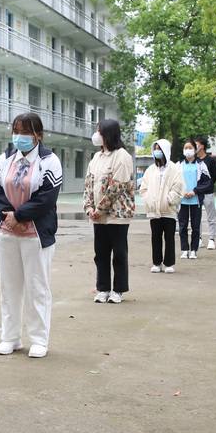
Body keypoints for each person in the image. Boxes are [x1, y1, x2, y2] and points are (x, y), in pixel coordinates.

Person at [0, 112, 63, 358]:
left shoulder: (49, 160)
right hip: (7, 233)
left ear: (37, 135)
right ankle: (10, 338)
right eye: (16, 131)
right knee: (8, 287)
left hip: (35, 235)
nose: (19, 136)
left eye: (25, 132)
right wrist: (8, 217)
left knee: (37, 288)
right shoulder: (5, 158)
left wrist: (20, 217)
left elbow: (47, 197)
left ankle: (39, 339)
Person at [83, 119, 135, 303]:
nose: (96, 135)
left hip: (117, 216)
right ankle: (103, 288)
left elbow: (117, 187)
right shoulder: (97, 158)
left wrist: (100, 209)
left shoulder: (122, 156)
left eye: (99, 131)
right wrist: (89, 208)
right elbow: (89, 184)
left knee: (119, 253)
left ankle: (118, 290)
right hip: (98, 216)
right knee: (101, 253)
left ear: (108, 133)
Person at [140, 139, 185, 273]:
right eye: (156, 149)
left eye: (160, 149)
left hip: (168, 210)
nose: (157, 151)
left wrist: (169, 200)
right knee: (155, 237)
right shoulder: (150, 170)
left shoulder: (174, 169)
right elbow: (143, 189)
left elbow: (179, 187)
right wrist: (149, 201)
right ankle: (156, 262)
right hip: (154, 210)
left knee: (169, 237)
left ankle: (169, 263)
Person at [177, 140, 211, 259]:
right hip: (183, 200)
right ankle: (185, 249)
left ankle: (194, 250)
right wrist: (183, 191)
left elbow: (207, 181)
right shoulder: (179, 164)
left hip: (196, 200)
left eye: (190, 147)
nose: (188, 150)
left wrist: (195, 191)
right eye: (185, 148)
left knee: (195, 226)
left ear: (195, 150)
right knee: (183, 225)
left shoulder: (201, 164)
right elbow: (175, 181)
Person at [194, 136, 216, 249]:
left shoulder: (211, 161)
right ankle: (199, 238)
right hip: (196, 193)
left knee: (211, 216)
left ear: (202, 146)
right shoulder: (193, 160)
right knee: (196, 217)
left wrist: (206, 186)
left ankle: (212, 239)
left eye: (196, 145)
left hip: (208, 192)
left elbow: (213, 176)